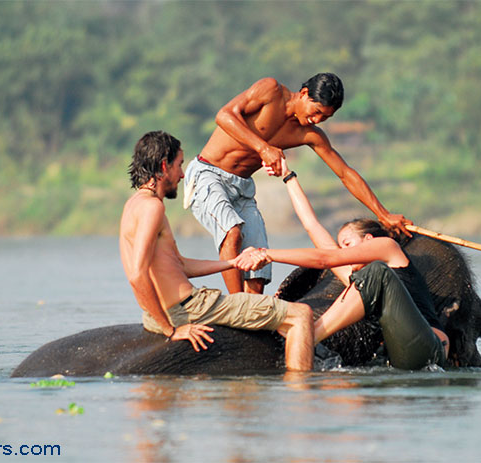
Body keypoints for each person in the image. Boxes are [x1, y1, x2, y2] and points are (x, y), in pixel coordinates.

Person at [184, 73, 412, 295]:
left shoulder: (309, 134)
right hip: (208, 173)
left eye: (325, 118)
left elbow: (345, 173)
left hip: (242, 187)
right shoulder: (270, 90)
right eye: (316, 112)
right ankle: (236, 306)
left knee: (260, 262)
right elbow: (224, 116)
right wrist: (263, 148)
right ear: (304, 93)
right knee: (232, 232)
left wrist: (382, 214)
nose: (317, 120)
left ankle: (251, 310)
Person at [119, 131, 313, 371]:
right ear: (163, 166)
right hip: (188, 309)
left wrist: (233, 263)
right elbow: (137, 274)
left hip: (157, 315)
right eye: (179, 166)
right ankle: (302, 399)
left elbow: (179, 266)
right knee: (301, 315)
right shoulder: (152, 208)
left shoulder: (134, 205)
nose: (181, 175)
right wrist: (171, 332)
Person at [236, 159, 448, 370]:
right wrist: (288, 176)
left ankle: (310, 334)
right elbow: (312, 225)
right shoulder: (358, 280)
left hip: (429, 349)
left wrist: (267, 254)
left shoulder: (388, 248)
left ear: (368, 240)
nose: (344, 251)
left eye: (347, 244)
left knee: (377, 272)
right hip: (399, 356)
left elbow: (325, 259)